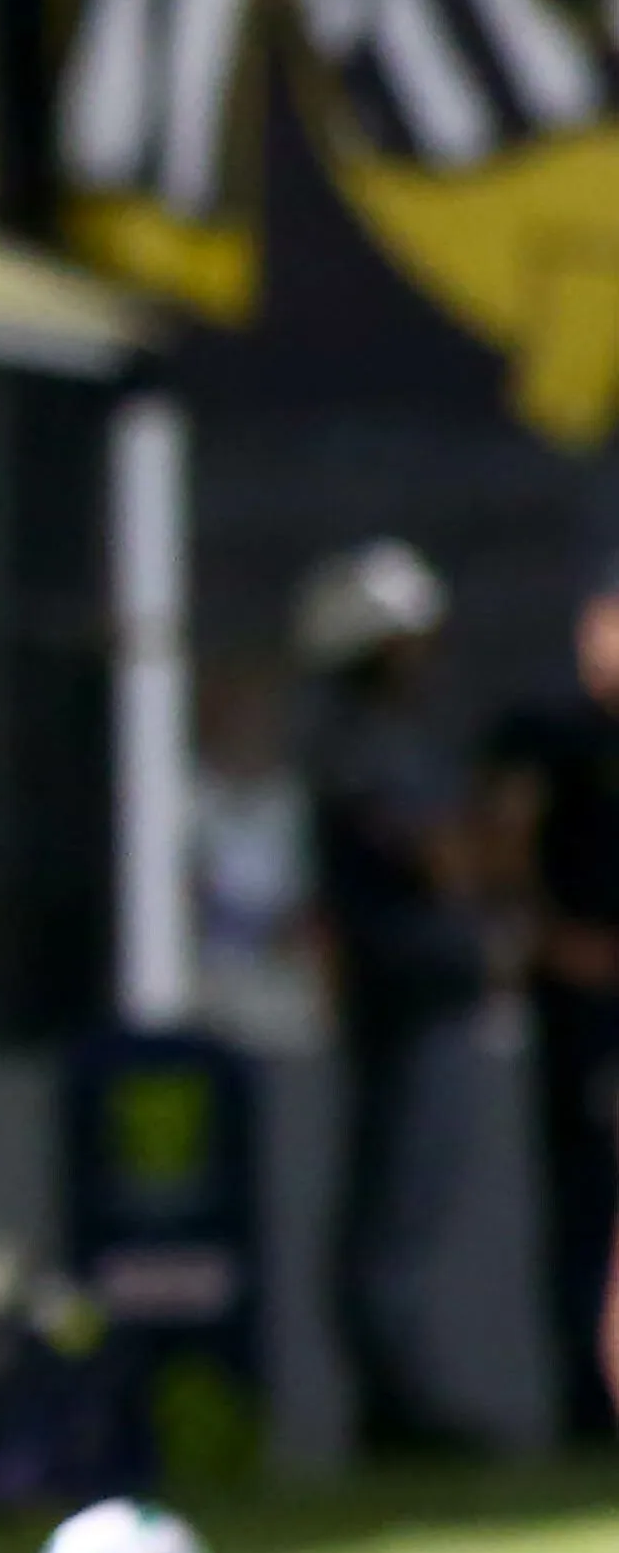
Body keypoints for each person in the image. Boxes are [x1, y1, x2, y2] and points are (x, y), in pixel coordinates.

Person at [298, 538, 490, 1454]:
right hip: (405, 1010)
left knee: (400, 1213)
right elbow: (443, 858)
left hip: (418, 1007)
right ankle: (399, 1412)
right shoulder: (362, 747)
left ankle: (402, 1405)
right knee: (391, 1223)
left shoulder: (381, 741)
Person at [486, 573, 619, 1446]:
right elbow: (504, 849)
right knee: (586, 1208)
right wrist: (549, 940)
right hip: (583, 1013)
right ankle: (587, 1408)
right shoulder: (552, 740)